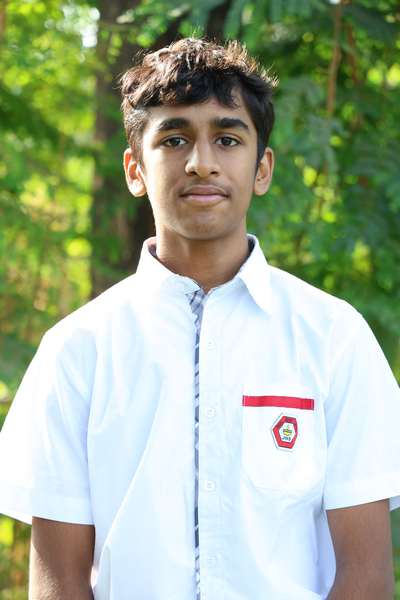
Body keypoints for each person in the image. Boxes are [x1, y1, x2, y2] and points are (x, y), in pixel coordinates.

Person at [0, 37, 399, 600]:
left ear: (262, 169)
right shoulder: (77, 349)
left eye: (228, 139)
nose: (202, 162)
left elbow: (366, 577)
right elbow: (58, 582)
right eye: (174, 139)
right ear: (135, 169)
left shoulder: (335, 337)